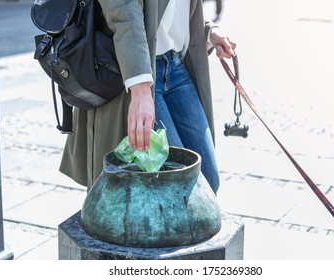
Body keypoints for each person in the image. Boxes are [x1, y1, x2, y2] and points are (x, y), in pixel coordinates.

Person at [59, 0, 236, 194]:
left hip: (177, 66)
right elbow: (123, 12)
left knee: (208, 182)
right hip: (138, 72)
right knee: (177, 187)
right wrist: (141, 89)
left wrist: (207, 30)